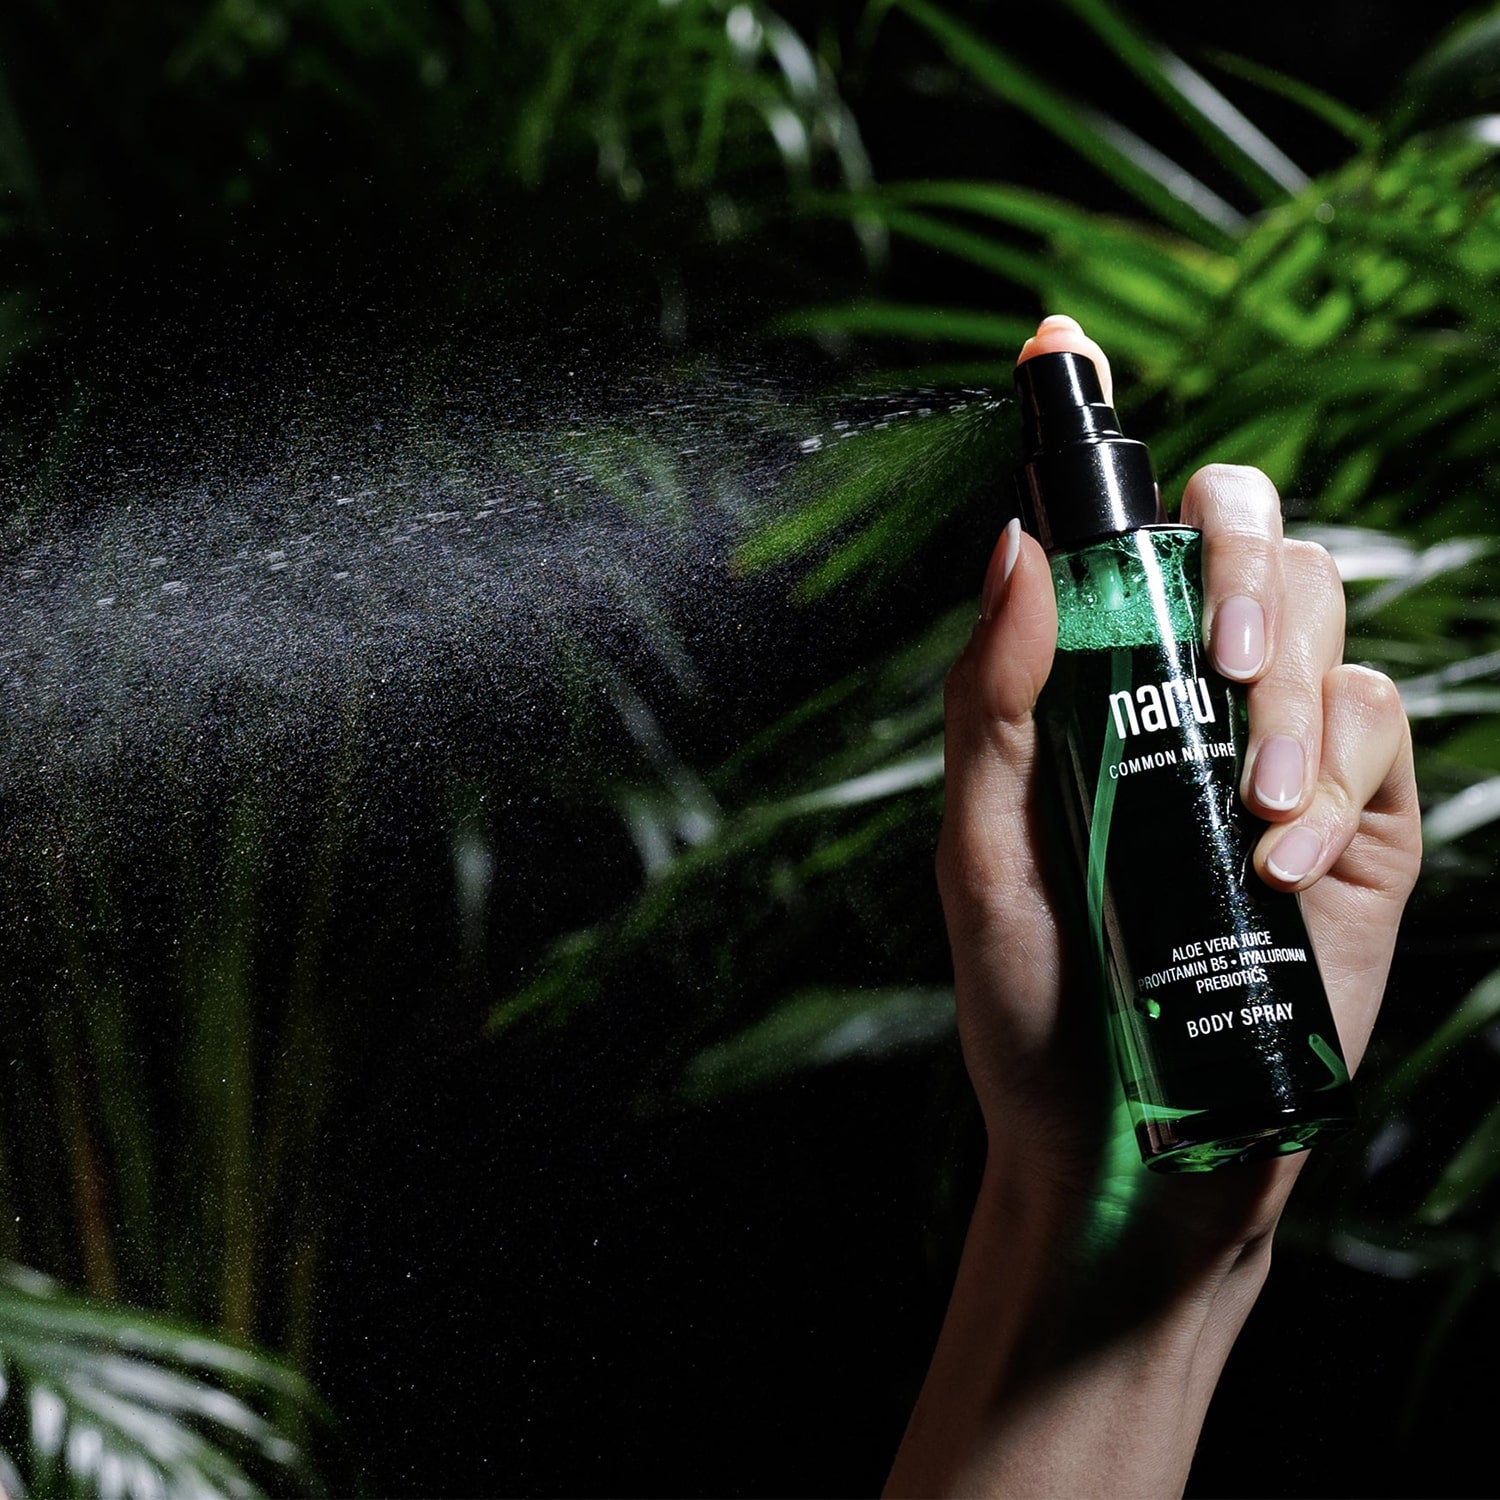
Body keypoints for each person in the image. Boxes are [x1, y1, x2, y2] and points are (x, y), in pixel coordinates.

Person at [885, 315, 1422, 1497]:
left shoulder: (1167, 579)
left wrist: (1178, 1244)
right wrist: (1073, 1192)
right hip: (1145, 1096)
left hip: (1257, 1033)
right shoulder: (1075, 605)